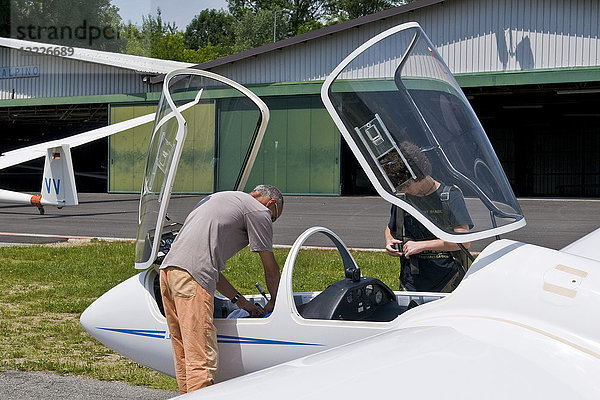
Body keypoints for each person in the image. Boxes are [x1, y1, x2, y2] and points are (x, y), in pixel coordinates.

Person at [159, 184, 283, 394]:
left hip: (168, 273)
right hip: (191, 279)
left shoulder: (221, 198)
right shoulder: (259, 210)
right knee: (201, 357)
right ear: (271, 203)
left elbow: (208, 267)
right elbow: (270, 268)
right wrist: (275, 301)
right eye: (273, 218)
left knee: (183, 352)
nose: (269, 221)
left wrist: (241, 302)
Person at [381, 142, 473, 293]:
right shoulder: (403, 198)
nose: (403, 190)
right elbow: (390, 228)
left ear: (418, 176)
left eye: (405, 185)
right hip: (410, 282)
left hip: (448, 281)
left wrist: (422, 245)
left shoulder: (450, 196)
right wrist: (389, 240)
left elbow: (464, 240)